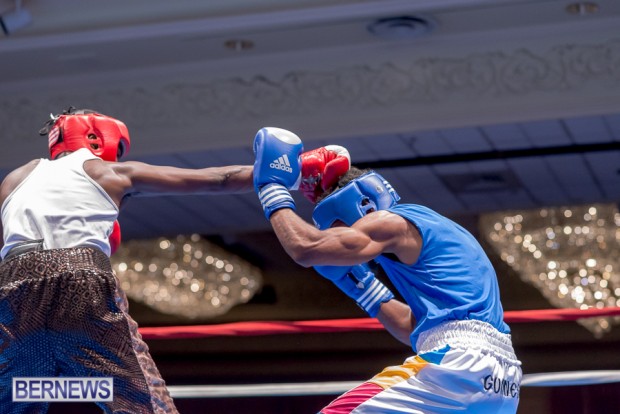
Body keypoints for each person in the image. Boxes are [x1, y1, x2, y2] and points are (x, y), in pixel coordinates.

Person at [252, 129, 522, 414]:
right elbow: (414, 328)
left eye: (340, 230)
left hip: (457, 364)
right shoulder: (438, 234)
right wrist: (361, 286)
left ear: (363, 208)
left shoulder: (388, 222)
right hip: (503, 382)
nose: (341, 242)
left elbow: (305, 248)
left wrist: (271, 187)